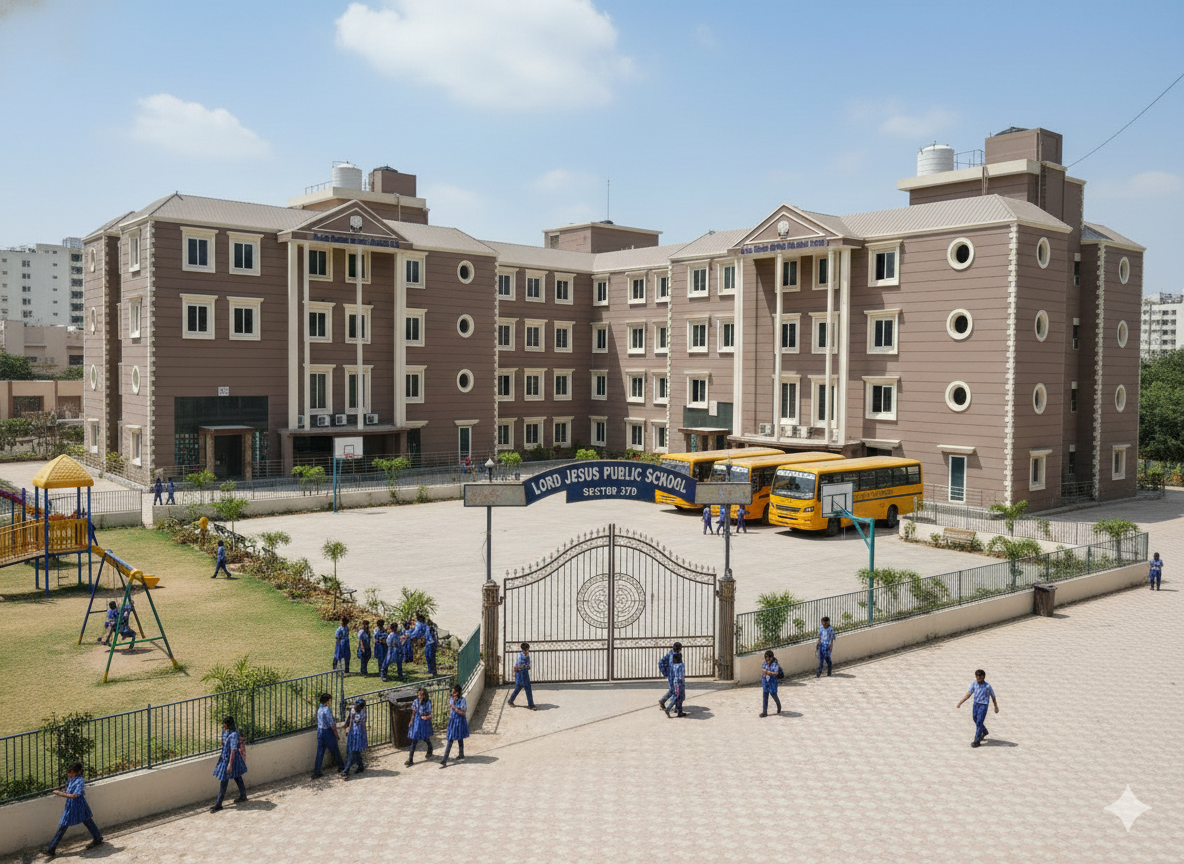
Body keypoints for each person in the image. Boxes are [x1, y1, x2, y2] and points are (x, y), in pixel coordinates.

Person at [44, 760, 103, 856]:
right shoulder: (72, 779)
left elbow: (75, 795)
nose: (69, 774)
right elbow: (69, 789)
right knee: (87, 820)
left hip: (76, 805)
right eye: (69, 772)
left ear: (76, 772)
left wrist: (60, 793)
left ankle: (51, 848)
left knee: (63, 824)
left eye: (71, 772)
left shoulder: (80, 781)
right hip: (75, 805)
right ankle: (97, 838)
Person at [210, 716, 247, 811]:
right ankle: (243, 795)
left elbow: (233, 750)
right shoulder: (228, 733)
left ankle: (219, 803)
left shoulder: (233, 735)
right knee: (237, 777)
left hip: (230, 760)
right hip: (228, 759)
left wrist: (230, 764)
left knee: (224, 780)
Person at [956, 669, 999, 747]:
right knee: (975, 718)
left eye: (980, 677)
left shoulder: (987, 686)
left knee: (979, 722)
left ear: (983, 677)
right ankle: (984, 731)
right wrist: (960, 702)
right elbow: (969, 694)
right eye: (977, 677)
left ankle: (977, 740)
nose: (978, 679)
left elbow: (993, 696)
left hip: (983, 705)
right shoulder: (974, 684)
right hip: (976, 704)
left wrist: (996, 707)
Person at [312, 692, 343, 778]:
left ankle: (316, 771)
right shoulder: (327, 709)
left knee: (320, 752)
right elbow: (332, 724)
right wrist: (336, 734)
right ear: (327, 701)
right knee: (335, 750)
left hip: (320, 731)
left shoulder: (319, 709)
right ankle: (341, 767)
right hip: (327, 732)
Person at [440, 684, 469, 768]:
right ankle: (461, 754)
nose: (453, 694)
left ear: (458, 692)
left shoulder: (462, 700)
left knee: (453, 739)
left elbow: (463, 713)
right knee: (452, 738)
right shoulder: (451, 699)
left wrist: (455, 709)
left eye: (455, 692)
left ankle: (444, 760)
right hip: (452, 721)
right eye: (452, 692)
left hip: (459, 721)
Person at [405, 688, 434, 765]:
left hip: (424, 721)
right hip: (417, 721)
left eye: (421, 695)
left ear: (424, 695)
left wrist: (426, 717)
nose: (419, 696)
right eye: (418, 695)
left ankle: (430, 747)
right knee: (414, 739)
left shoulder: (428, 702)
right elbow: (414, 712)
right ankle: (410, 759)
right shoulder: (415, 701)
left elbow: (430, 714)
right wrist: (411, 721)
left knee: (425, 737)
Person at [341, 699, 368, 778]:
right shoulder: (353, 709)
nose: (356, 708)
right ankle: (360, 766)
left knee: (353, 751)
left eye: (358, 707)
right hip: (352, 733)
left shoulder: (361, 714)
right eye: (355, 706)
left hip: (358, 734)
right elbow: (348, 721)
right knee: (353, 750)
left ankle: (346, 770)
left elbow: (356, 719)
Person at [508, 642, 536, 709]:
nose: (527, 651)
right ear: (523, 650)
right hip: (520, 674)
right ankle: (511, 700)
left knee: (524, 688)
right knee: (522, 688)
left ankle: (530, 704)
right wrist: (525, 666)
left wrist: (525, 666)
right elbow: (521, 666)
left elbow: (527, 666)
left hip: (524, 673)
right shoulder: (520, 656)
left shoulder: (526, 656)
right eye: (526, 650)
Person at [658, 641, 682, 712]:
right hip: (674, 676)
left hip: (673, 676)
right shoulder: (671, 655)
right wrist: (665, 671)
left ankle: (663, 701)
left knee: (673, 690)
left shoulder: (673, 655)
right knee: (676, 691)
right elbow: (661, 662)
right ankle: (674, 707)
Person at [760, 650, 782, 717]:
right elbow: (763, 668)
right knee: (765, 695)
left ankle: (779, 705)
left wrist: (769, 672)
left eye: (769, 658)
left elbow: (776, 673)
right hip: (765, 681)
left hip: (772, 682)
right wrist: (765, 672)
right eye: (766, 658)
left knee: (773, 694)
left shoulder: (775, 664)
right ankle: (764, 712)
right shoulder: (765, 662)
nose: (767, 659)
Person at [666, 651, 686, 717]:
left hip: (675, 682)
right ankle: (669, 708)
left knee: (677, 696)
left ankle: (679, 711)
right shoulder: (681, 665)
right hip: (680, 683)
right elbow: (680, 675)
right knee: (680, 697)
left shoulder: (674, 665)